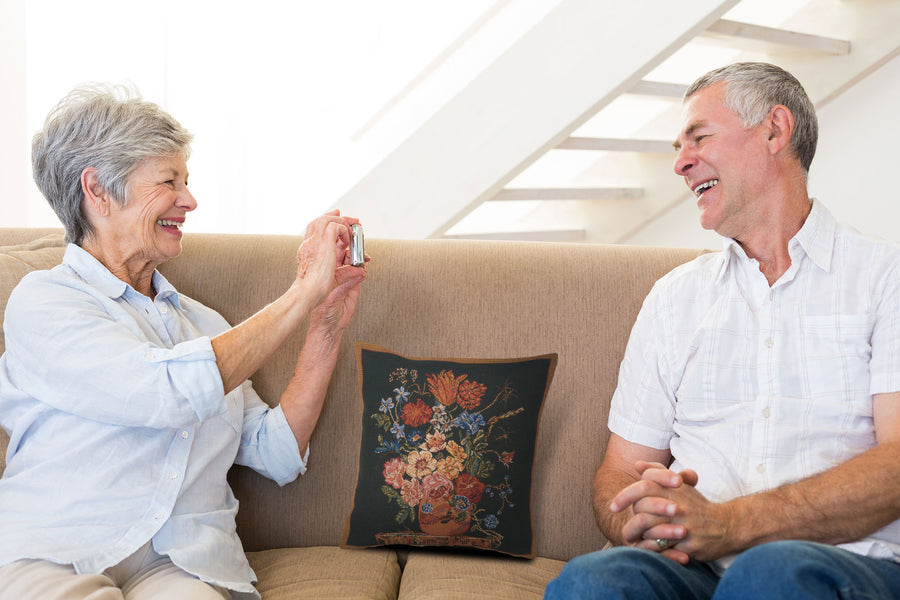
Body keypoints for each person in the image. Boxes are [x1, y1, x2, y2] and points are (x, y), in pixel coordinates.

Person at [545, 62, 900, 599]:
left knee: (772, 575)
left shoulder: (885, 278)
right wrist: (640, 519)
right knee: (593, 581)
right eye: (678, 148)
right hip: (692, 569)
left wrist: (731, 524)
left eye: (699, 138)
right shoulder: (675, 298)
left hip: (843, 563)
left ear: (776, 131)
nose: (681, 163)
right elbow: (618, 470)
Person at [0, 85, 368, 599]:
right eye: (169, 181)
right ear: (98, 191)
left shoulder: (206, 325)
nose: (189, 201)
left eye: (187, 181)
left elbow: (275, 451)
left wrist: (326, 321)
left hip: (179, 563)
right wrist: (303, 293)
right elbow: (165, 392)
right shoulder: (44, 303)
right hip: (56, 550)